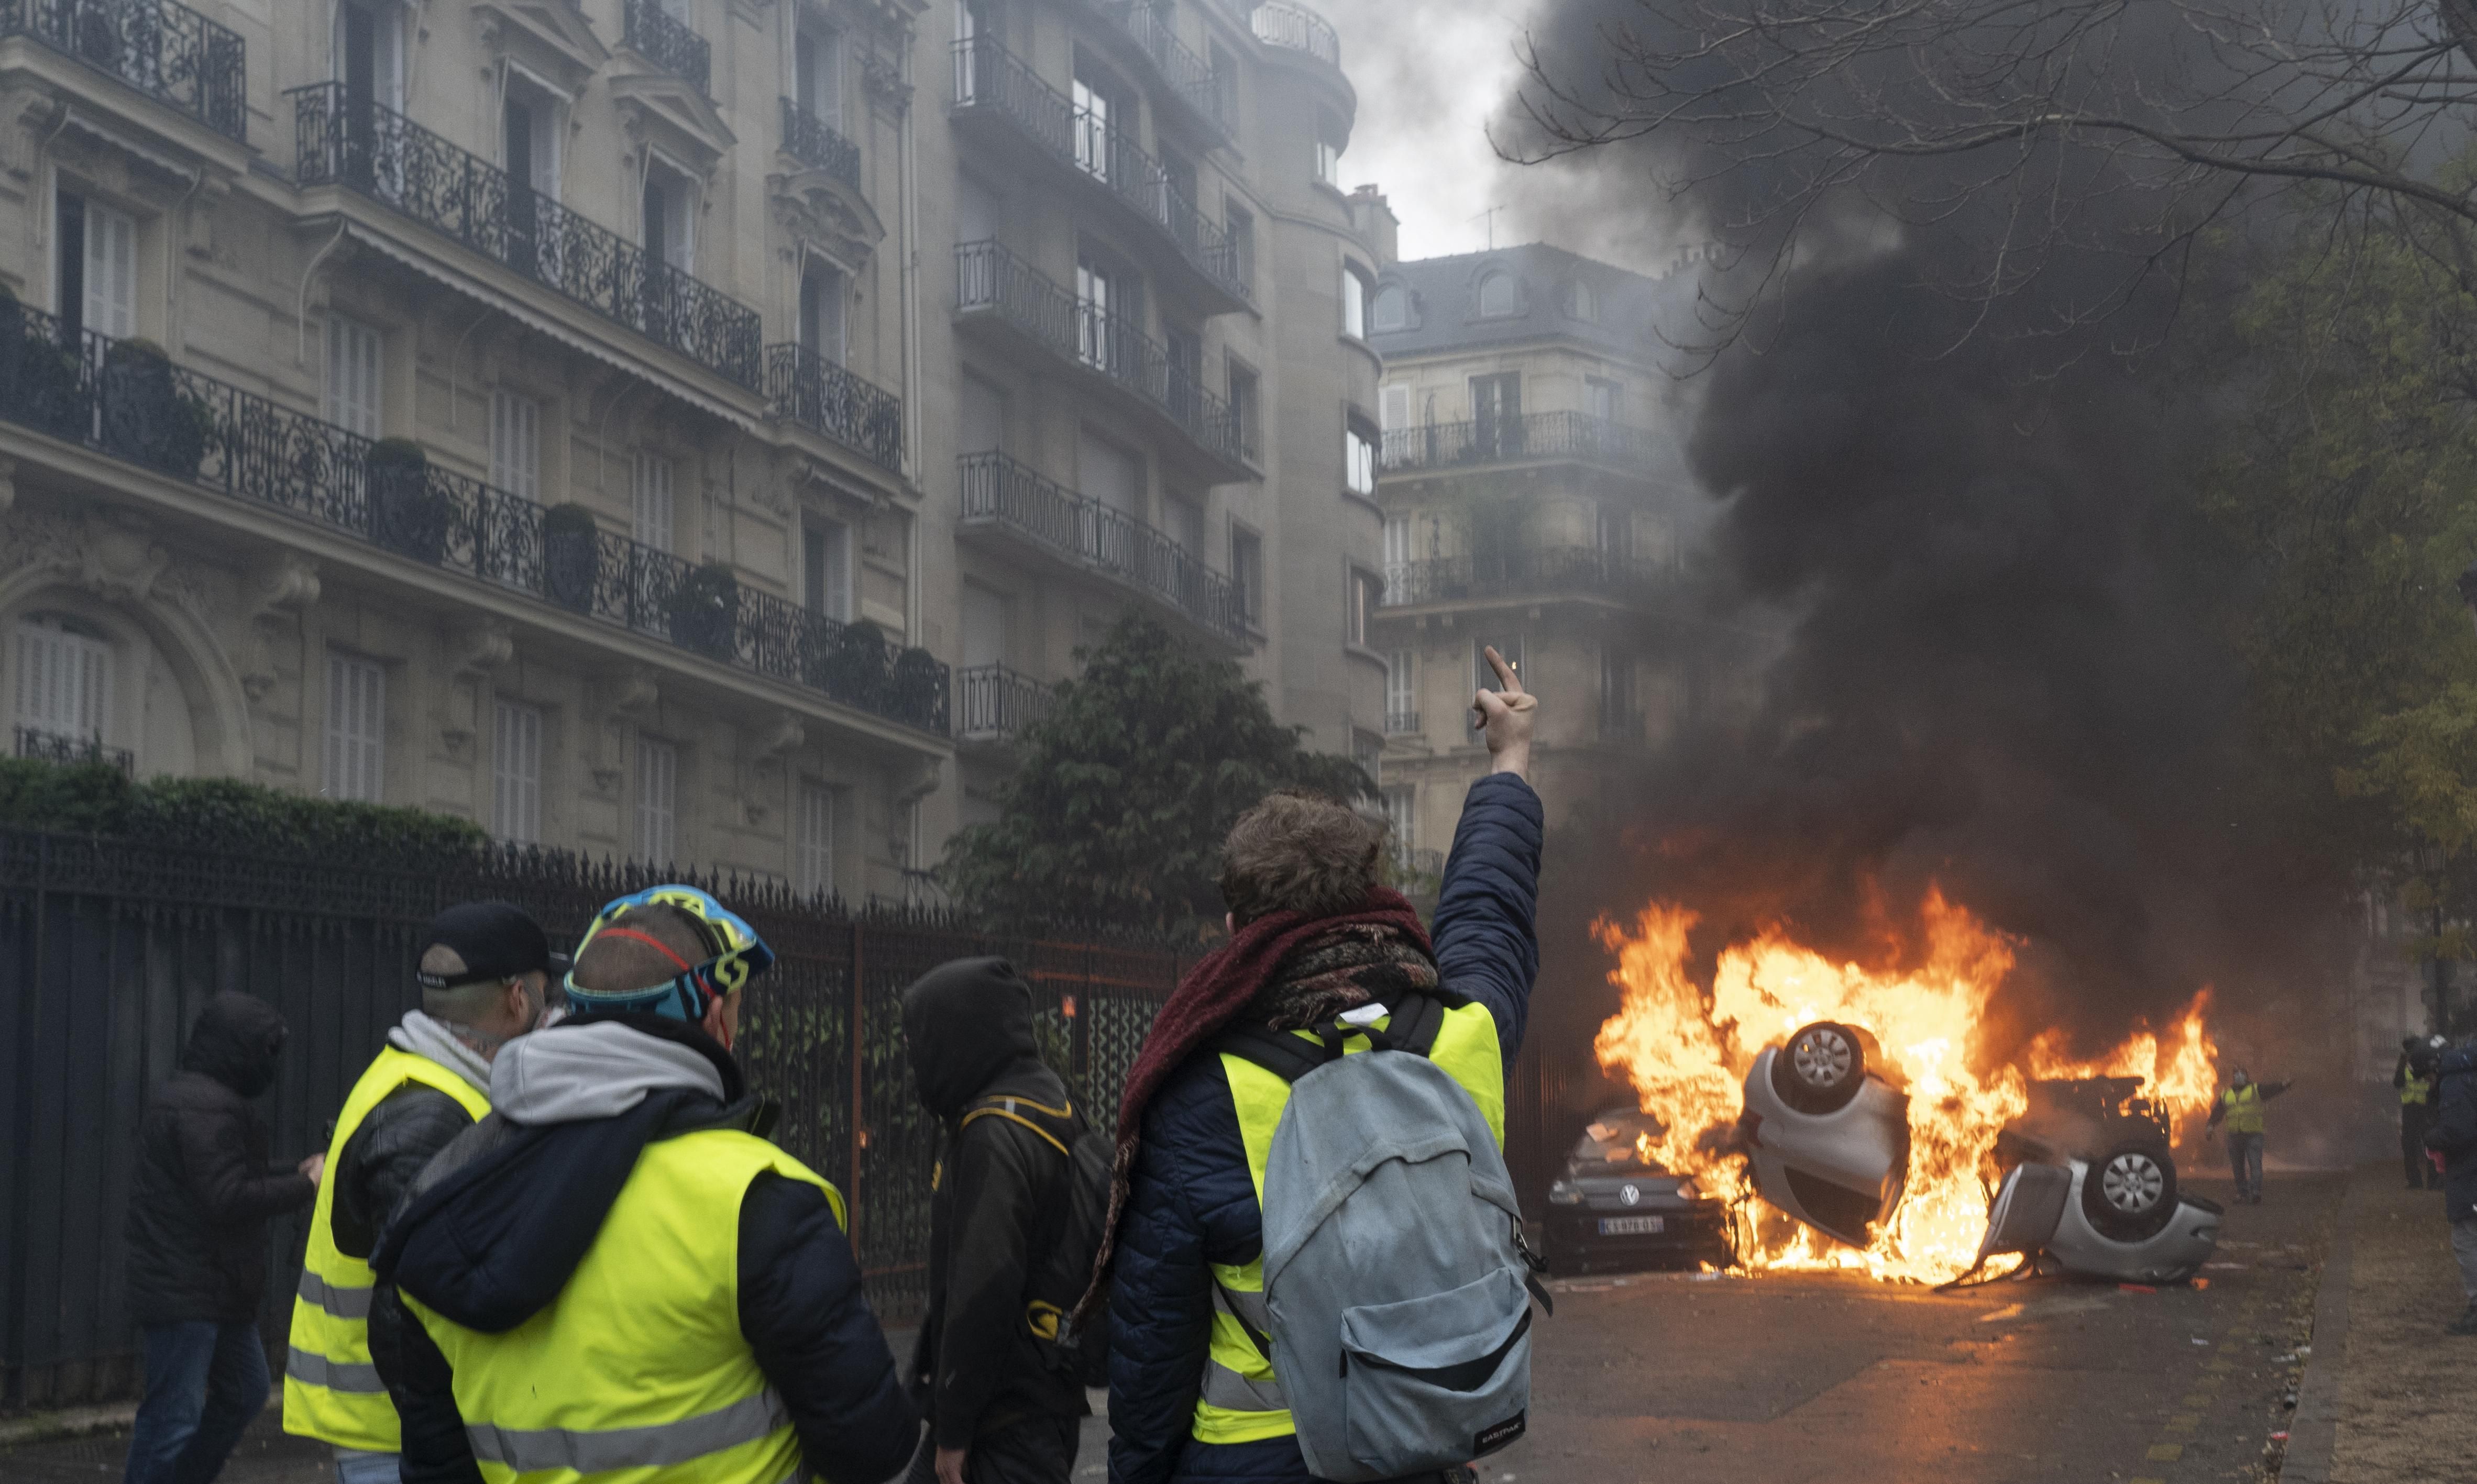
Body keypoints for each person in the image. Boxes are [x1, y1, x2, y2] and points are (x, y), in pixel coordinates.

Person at [1097, 646, 1542, 1484]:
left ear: (1240, 927)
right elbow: (1490, 912)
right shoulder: (1459, 1037)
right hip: (1421, 1434)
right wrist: (1509, 761)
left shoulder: (1201, 1089)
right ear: (1373, 899)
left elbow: (1155, 1339)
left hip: (1254, 1460)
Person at [375, 885, 918, 1484]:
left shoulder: (448, 1189)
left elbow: (435, 1461)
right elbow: (872, 1448)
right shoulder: (759, 1198)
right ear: (716, 1020)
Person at [284, 901, 566, 1483]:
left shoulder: (417, 1079)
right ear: (518, 998)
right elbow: (405, 1309)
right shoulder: (432, 1113)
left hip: (390, 1437)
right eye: (544, 989)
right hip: (399, 1445)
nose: (550, 1005)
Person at [899, 958, 1091, 1484]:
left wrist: (954, 1430)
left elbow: (982, 1287)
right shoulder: (1051, 1103)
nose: (916, 1058)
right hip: (1039, 1399)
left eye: (921, 1040)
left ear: (959, 1034)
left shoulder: (996, 1130)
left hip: (1003, 1421)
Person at [123, 992, 323, 1484]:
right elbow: (226, 1197)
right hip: (188, 1289)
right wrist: (304, 1185)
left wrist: (291, 1172)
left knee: (246, 1390)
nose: (270, 1066)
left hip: (211, 1287)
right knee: (172, 1418)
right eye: (266, 1051)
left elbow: (225, 1177)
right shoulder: (204, 1108)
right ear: (239, 1051)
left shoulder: (202, 1102)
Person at [2421, 1037, 2477, 1334]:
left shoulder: (2455, 1081)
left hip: (2471, 1173)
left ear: (2434, 1066)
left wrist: (2431, 1138)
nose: (2429, 1084)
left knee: (2467, 1238)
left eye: (2428, 1076)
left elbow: (2459, 1131)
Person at [2206, 1067, 2291, 1204]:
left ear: (2247, 1076)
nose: (2239, 1076)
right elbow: (2218, 1112)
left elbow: (2270, 1090)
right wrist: (2210, 1125)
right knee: (2237, 1167)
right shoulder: (2226, 1095)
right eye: (2237, 1074)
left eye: (2242, 1074)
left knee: (2255, 1164)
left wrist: (2283, 1086)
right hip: (2234, 1136)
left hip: (2253, 1135)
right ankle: (2242, 1193)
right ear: (2233, 1077)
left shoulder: (2255, 1090)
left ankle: (2256, 1192)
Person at [2396, 1036, 2445, 1191]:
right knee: (2411, 1145)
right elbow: (2398, 1082)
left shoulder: (2426, 1061)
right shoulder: (2406, 1062)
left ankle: (2432, 1182)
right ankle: (2417, 1181)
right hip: (2414, 1108)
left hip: (2423, 1108)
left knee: (2429, 1144)